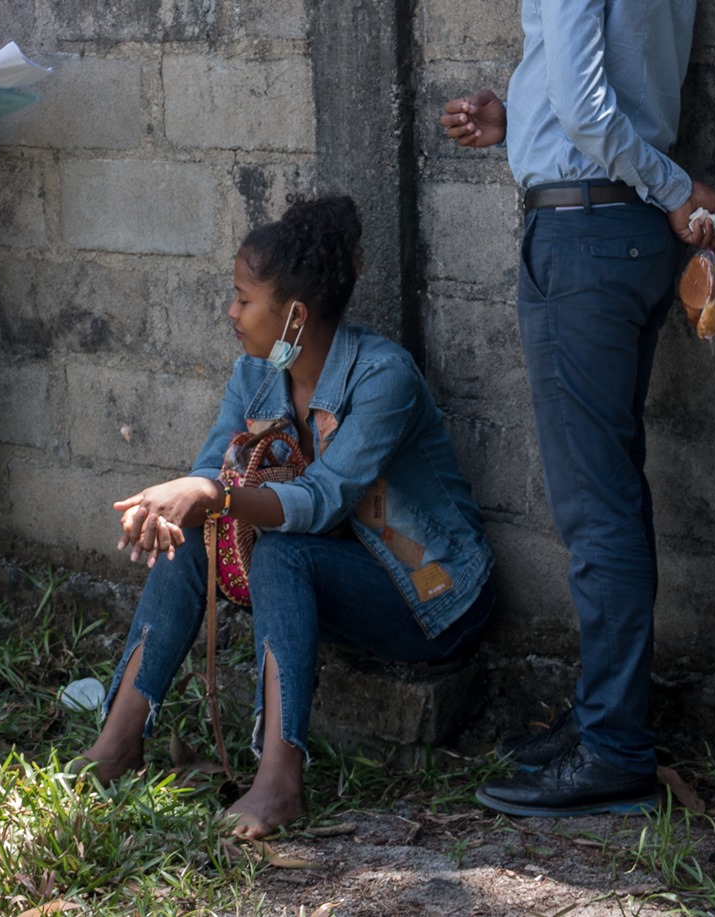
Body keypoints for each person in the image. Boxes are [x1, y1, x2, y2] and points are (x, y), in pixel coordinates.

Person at [438, 0, 715, 816]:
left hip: (585, 236)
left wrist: (667, 187)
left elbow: (589, 110)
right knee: (607, 492)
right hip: (624, 234)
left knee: (595, 507)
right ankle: (596, 718)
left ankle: (611, 748)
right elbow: (591, 90)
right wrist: (507, 112)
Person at [75, 194, 495, 838]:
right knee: (193, 538)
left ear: (294, 314)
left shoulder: (383, 378)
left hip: (430, 595)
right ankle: (119, 742)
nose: (232, 311)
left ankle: (279, 781)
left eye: (244, 298)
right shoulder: (256, 371)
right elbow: (216, 469)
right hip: (335, 570)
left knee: (277, 547)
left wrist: (212, 496)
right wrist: (178, 499)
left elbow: (322, 499)